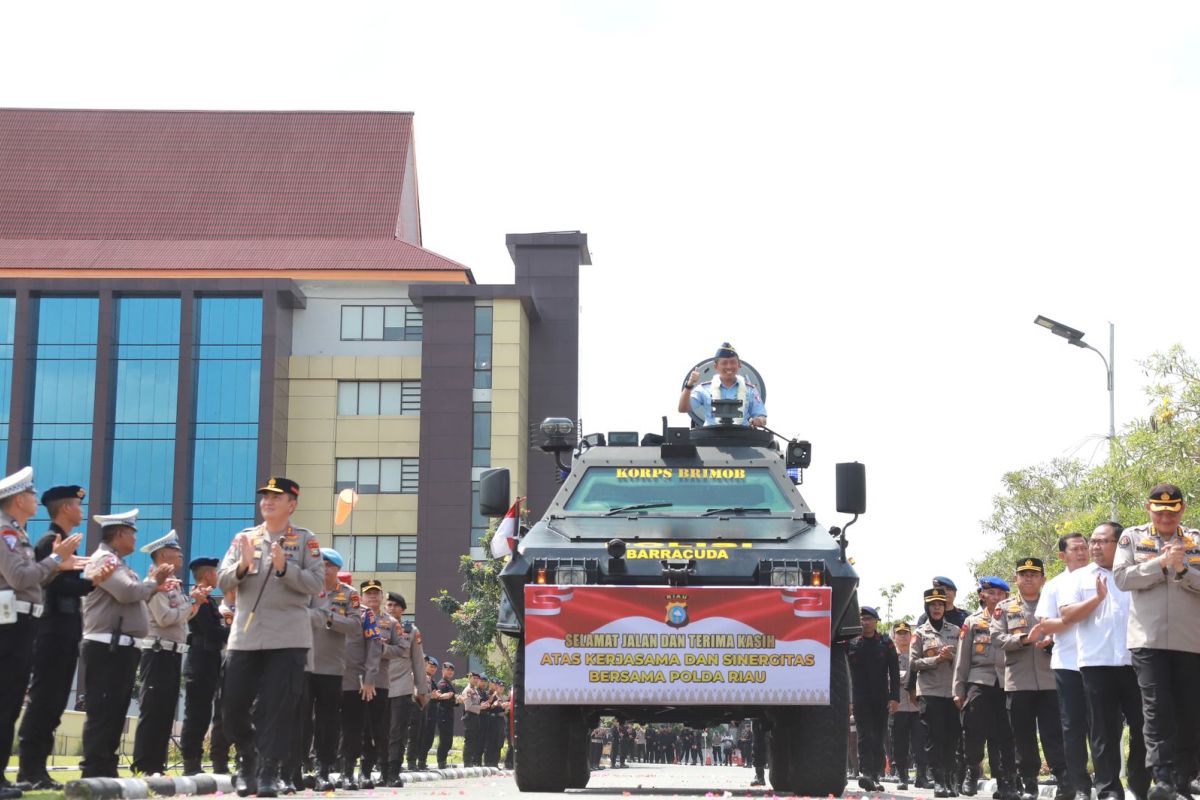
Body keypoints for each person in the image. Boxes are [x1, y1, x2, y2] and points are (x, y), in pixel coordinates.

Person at [218, 477, 324, 798]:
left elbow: (316, 583)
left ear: (292, 504)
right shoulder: (244, 539)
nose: (267, 501)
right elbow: (222, 580)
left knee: (276, 709)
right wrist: (242, 565)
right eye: (264, 496)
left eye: (276, 497)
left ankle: (267, 771)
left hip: (288, 637)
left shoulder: (305, 541)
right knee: (232, 707)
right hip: (246, 637)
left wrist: (284, 568)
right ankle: (248, 753)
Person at [0, 469, 87, 799]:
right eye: (31, 495)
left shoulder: (18, 533)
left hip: (26, 623)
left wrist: (58, 564)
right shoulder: (8, 533)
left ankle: (16, 775)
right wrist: (56, 561)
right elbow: (22, 578)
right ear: (19, 500)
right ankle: (22, 771)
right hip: (13, 624)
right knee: (10, 701)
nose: (35, 500)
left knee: (12, 704)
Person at [1112, 484, 1200, 800]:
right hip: (1147, 639)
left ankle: (1183, 779)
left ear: (1183, 509)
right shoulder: (1132, 538)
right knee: (1157, 709)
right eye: (1160, 510)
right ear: (1148, 508)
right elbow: (1121, 578)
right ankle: (1162, 780)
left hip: (1191, 641)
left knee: (1190, 712)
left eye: (1172, 510)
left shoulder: (1195, 539)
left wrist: (1182, 568)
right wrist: (1159, 564)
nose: (1166, 516)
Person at [18, 484, 106, 791]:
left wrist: (88, 581)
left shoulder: (66, 544)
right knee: (44, 701)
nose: (81, 511)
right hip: (51, 630)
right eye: (78, 506)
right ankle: (29, 770)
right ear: (66, 508)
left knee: (54, 703)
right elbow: (50, 586)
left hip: (66, 630)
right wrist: (91, 582)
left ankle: (38, 769)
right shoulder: (49, 542)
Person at [80, 509, 176, 778]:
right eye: (132, 533)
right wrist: (153, 583)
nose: (135, 538)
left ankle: (106, 768)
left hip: (122, 646)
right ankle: (94, 769)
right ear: (119, 534)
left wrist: (150, 586)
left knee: (116, 710)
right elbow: (127, 592)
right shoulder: (104, 559)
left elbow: (134, 594)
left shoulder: (121, 563)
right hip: (107, 644)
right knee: (104, 708)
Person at [1057, 522, 1149, 800]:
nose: (1094, 547)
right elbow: (1067, 615)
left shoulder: (1135, 574)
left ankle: (1140, 783)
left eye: (1102, 541)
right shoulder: (1079, 577)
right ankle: (1108, 789)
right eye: (1092, 541)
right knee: (1103, 731)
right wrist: (1097, 599)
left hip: (1137, 661)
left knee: (1144, 727)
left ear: (1120, 543)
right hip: (1097, 664)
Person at [992, 558, 1070, 800]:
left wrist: (1053, 641)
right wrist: (1025, 639)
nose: (1028, 578)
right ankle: (1029, 783)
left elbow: (1070, 631)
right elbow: (996, 638)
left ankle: (1064, 780)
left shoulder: (1055, 604)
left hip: (1050, 679)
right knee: (1023, 734)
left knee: (1054, 732)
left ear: (1043, 579)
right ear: (1015, 578)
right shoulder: (1004, 608)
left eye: (1034, 574)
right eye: (1023, 574)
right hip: (1019, 681)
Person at [132, 530, 205, 775]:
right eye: (177, 551)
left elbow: (183, 618)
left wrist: (191, 603)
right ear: (164, 555)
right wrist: (190, 603)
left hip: (173, 652)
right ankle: (144, 764)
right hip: (157, 652)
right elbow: (165, 618)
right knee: (153, 710)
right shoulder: (154, 584)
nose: (181, 554)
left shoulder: (173, 585)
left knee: (165, 712)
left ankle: (157, 765)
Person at [291, 548, 359, 791]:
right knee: (300, 719)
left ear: (336, 569)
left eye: (329, 565)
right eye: (321, 564)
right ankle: (296, 768)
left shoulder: (349, 594)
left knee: (327, 721)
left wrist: (329, 618)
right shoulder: (307, 589)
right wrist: (315, 614)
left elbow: (354, 626)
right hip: (304, 663)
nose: (324, 568)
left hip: (331, 666)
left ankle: (323, 769)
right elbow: (295, 614)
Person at [1035, 533, 1094, 800]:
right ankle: (1078, 785)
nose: (1082, 552)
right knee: (1072, 727)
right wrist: (1075, 616)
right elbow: (1046, 624)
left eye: (1085, 548)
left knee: (1102, 725)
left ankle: (1106, 780)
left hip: (1100, 663)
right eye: (1076, 549)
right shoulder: (1055, 585)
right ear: (1062, 555)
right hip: (1068, 664)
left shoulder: (1103, 577)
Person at [952, 577, 1017, 799]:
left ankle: (1005, 782)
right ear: (983, 595)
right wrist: (958, 690)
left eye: (1001, 594)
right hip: (979, 681)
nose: (996, 598)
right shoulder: (972, 622)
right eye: (992, 594)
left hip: (1007, 681)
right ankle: (972, 770)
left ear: (1006, 597)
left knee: (1005, 735)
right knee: (973, 731)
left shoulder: (1014, 618)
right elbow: (962, 658)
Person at [179, 556, 230, 775]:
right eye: (215, 572)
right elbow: (210, 631)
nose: (217, 576)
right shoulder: (197, 599)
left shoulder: (209, 600)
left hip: (210, 659)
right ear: (208, 574)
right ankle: (191, 762)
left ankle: (196, 760)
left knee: (204, 713)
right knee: (196, 714)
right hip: (200, 659)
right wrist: (235, 631)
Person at [911, 586, 961, 798]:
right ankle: (938, 780)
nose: (937, 608)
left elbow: (964, 661)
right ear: (927, 608)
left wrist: (952, 657)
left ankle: (950, 779)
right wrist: (936, 659)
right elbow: (913, 663)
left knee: (952, 738)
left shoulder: (956, 631)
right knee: (934, 738)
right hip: (930, 692)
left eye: (940, 604)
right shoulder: (920, 633)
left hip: (951, 692)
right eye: (933, 605)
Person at [848, 606, 900, 792]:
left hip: (881, 697)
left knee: (878, 736)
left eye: (869, 618)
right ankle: (866, 773)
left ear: (876, 621)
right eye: (862, 619)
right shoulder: (852, 643)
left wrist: (895, 698)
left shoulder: (886, 643)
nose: (865, 622)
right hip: (860, 697)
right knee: (863, 735)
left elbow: (894, 671)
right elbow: (845, 673)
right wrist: (848, 700)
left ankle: (877, 774)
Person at [338, 578, 383, 789]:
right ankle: (325, 769)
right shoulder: (322, 607)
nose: (373, 596)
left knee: (358, 728)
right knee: (325, 725)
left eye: (376, 593)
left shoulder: (366, 614)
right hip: (326, 674)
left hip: (356, 680)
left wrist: (369, 677)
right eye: (369, 593)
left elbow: (374, 648)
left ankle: (353, 771)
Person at [380, 591, 429, 782]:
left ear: (403, 609)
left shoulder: (411, 631)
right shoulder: (378, 626)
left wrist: (422, 690)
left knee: (396, 731)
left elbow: (418, 661)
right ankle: (382, 770)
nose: (392, 609)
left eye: (396, 606)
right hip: (380, 685)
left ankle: (393, 772)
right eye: (389, 605)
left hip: (401, 687)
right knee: (380, 731)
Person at [678, 343, 767, 427]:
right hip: (710, 439)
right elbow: (682, 408)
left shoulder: (750, 390)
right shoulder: (704, 389)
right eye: (724, 363)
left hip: (742, 438)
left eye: (732, 362)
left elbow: (762, 417)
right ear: (715, 366)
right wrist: (689, 384)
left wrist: (759, 420)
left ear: (739, 365)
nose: (729, 367)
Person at [891, 622, 926, 791]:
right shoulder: (890, 656)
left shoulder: (916, 655)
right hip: (899, 707)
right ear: (894, 636)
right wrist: (906, 677)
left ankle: (922, 776)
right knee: (900, 743)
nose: (903, 636)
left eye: (906, 633)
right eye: (900, 633)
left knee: (920, 743)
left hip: (917, 705)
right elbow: (888, 679)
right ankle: (902, 777)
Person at [431, 661, 458, 770]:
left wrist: (457, 701)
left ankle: (444, 760)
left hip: (449, 714)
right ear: (443, 671)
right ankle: (441, 762)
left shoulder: (449, 684)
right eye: (448, 669)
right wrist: (445, 696)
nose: (450, 672)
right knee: (444, 739)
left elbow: (450, 700)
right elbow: (439, 698)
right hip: (443, 714)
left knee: (448, 740)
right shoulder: (442, 684)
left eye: (451, 670)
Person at [461, 672, 483, 766]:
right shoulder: (468, 690)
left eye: (477, 679)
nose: (476, 680)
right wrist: (480, 707)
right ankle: (467, 762)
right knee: (469, 740)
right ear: (469, 678)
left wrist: (481, 706)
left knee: (475, 739)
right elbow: (468, 707)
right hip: (469, 717)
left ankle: (472, 761)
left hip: (476, 717)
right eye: (474, 678)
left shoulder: (475, 690)